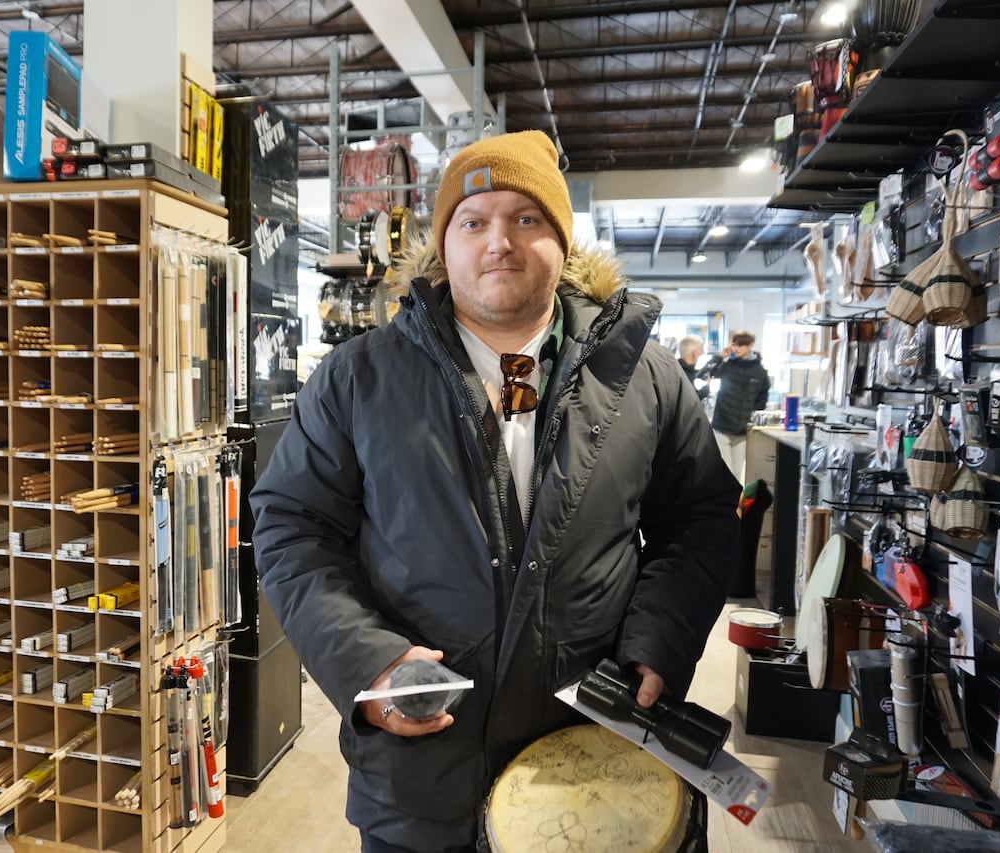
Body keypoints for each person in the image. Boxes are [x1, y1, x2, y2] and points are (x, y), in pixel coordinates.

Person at [250, 129, 739, 852]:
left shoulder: (644, 376)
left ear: (562, 242)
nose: (498, 243)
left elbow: (701, 517)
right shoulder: (360, 379)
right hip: (420, 772)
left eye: (526, 218)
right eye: (473, 221)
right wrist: (370, 662)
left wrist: (660, 640)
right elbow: (292, 529)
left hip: (586, 767)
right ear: (444, 244)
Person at [705, 329, 771, 482]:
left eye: (742, 344)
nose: (737, 348)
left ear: (750, 345)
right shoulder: (727, 365)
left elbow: (762, 400)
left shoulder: (760, 372)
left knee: (736, 473)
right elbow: (703, 375)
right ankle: (725, 504)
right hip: (722, 426)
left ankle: (734, 505)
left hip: (743, 430)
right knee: (723, 470)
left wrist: (751, 421)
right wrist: (719, 357)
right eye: (735, 344)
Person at [677, 334, 709, 400]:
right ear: (694, 352)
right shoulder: (684, 374)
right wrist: (707, 388)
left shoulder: (677, 367)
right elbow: (691, 400)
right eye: (700, 350)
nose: (701, 353)